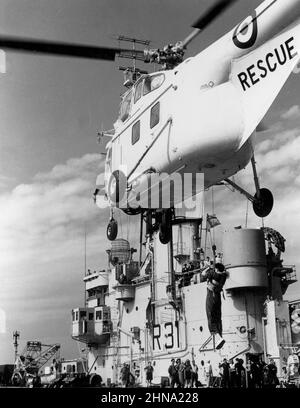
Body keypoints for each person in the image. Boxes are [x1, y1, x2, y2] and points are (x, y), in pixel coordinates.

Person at [201, 263, 227, 349]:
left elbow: (202, 276)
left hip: (211, 295)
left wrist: (207, 268)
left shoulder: (213, 273)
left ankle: (218, 337)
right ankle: (220, 336)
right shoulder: (223, 277)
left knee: (210, 316)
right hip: (218, 297)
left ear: (216, 269)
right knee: (218, 317)